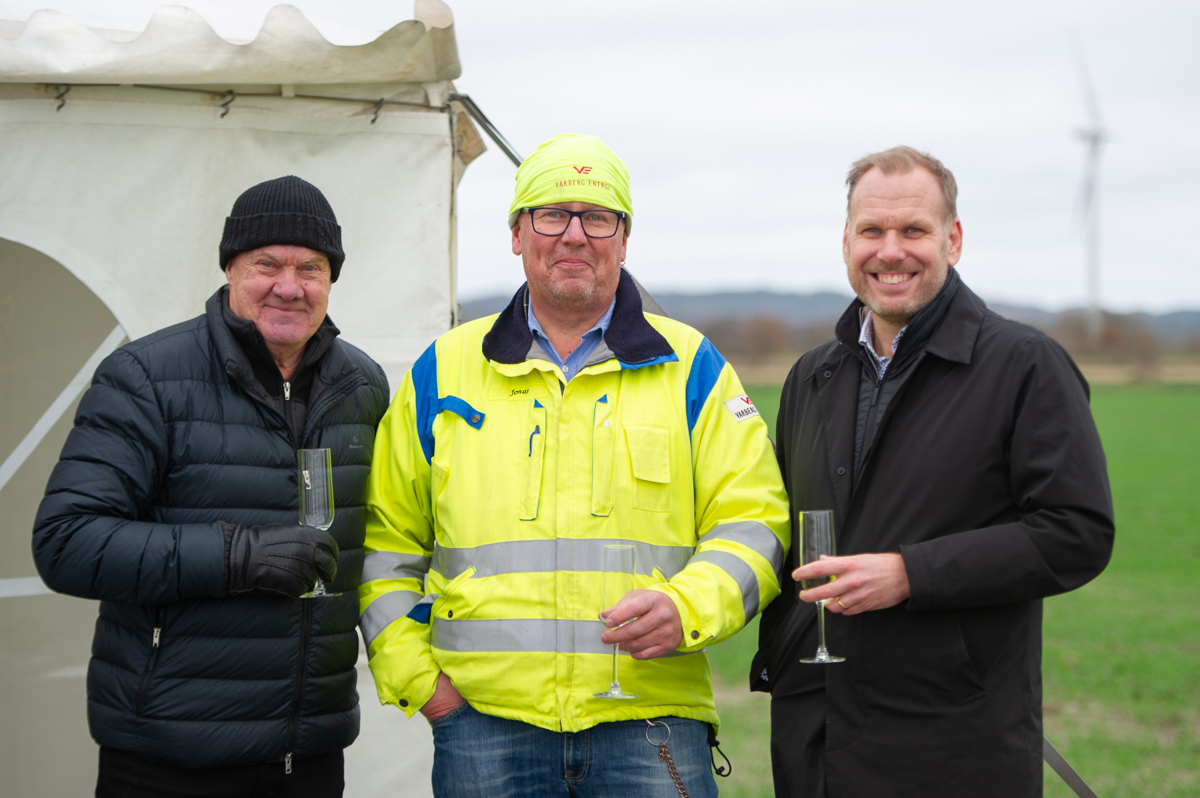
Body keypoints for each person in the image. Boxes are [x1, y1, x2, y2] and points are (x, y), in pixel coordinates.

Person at [359, 133, 790, 797]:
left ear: (623, 238)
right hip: (483, 727)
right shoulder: (442, 372)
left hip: (650, 723)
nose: (573, 235)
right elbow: (384, 545)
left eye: (598, 217)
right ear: (516, 233)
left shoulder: (692, 367)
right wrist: (425, 687)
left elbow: (755, 522)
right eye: (551, 214)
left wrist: (689, 606)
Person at [754, 146, 1115, 797]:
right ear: (846, 241)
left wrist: (910, 574)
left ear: (953, 238)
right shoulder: (813, 375)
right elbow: (781, 532)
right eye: (872, 231)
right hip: (817, 739)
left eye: (913, 231)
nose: (891, 251)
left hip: (953, 745)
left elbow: (1078, 532)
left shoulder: (1025, 366)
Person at [32, 176, 389, 797]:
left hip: (307, 753)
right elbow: (66, 543)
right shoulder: (146, 376)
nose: (290, 285)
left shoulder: (362, 385)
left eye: (311, 267)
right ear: (230, 267)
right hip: (168, 755)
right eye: (267, 264)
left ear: (332, 279)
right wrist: (236, 555)